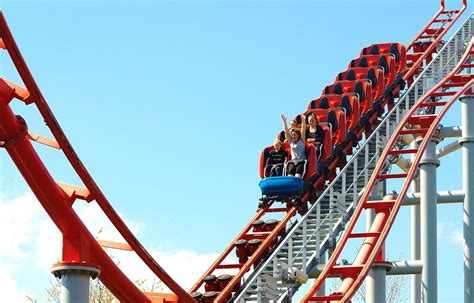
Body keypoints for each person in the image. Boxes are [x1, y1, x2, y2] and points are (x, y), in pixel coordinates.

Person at [281, 114, 306, 178]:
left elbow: (303, 129)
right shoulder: (291, 141)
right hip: (293, 161)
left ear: (298, 135)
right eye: (292, 135)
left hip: (301, 161)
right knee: (290, 174)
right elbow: (286, 132)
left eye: (295, 135)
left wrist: (303, 120)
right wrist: (284, 122)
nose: (293, 136)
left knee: (297, 175)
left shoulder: (301, 141)